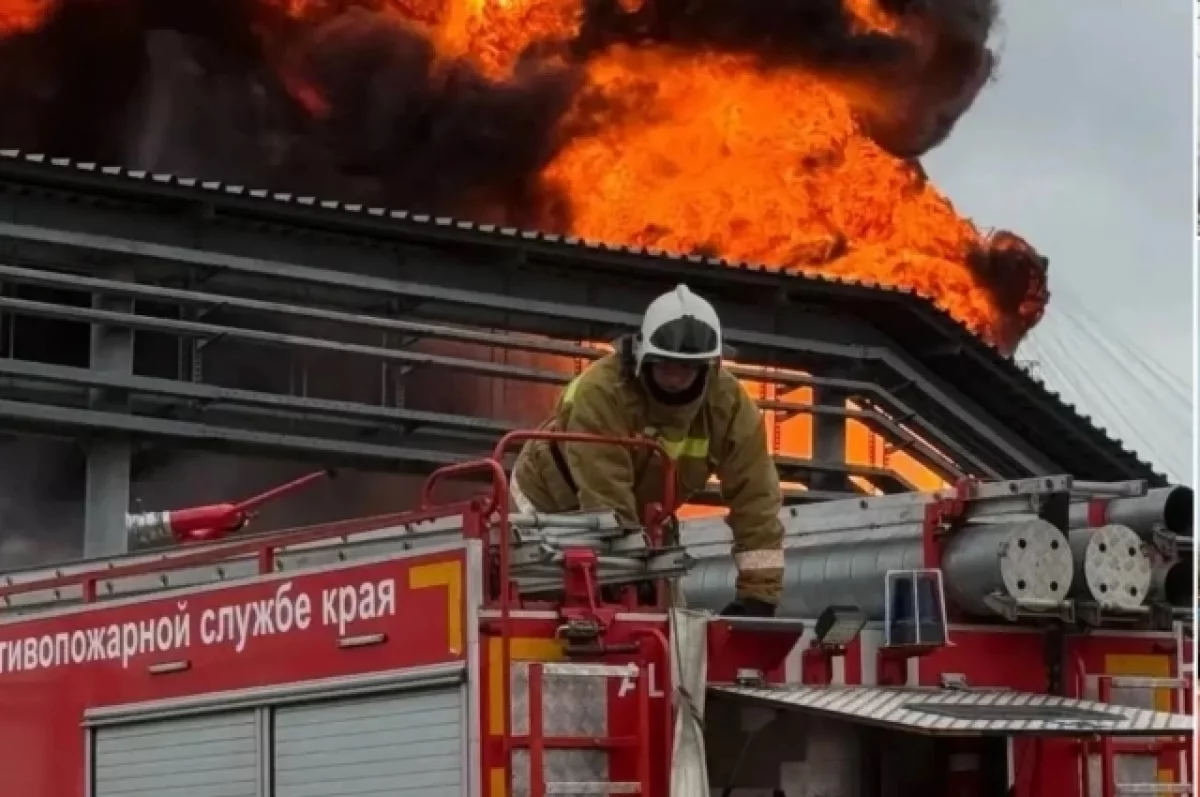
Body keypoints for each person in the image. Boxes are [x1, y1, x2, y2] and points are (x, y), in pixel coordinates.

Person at [511, 284, 785, 617]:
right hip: (547, 504)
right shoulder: (602, 391)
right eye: (665, 364)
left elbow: (756, 501)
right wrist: (630, 573)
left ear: (708, 366)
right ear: (641, 356)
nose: (675, 377)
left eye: (686, 368)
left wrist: (759, 595)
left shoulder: (730, 408)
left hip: (642, 521)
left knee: (667, 627)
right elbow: (605, 496)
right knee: (559, 610)